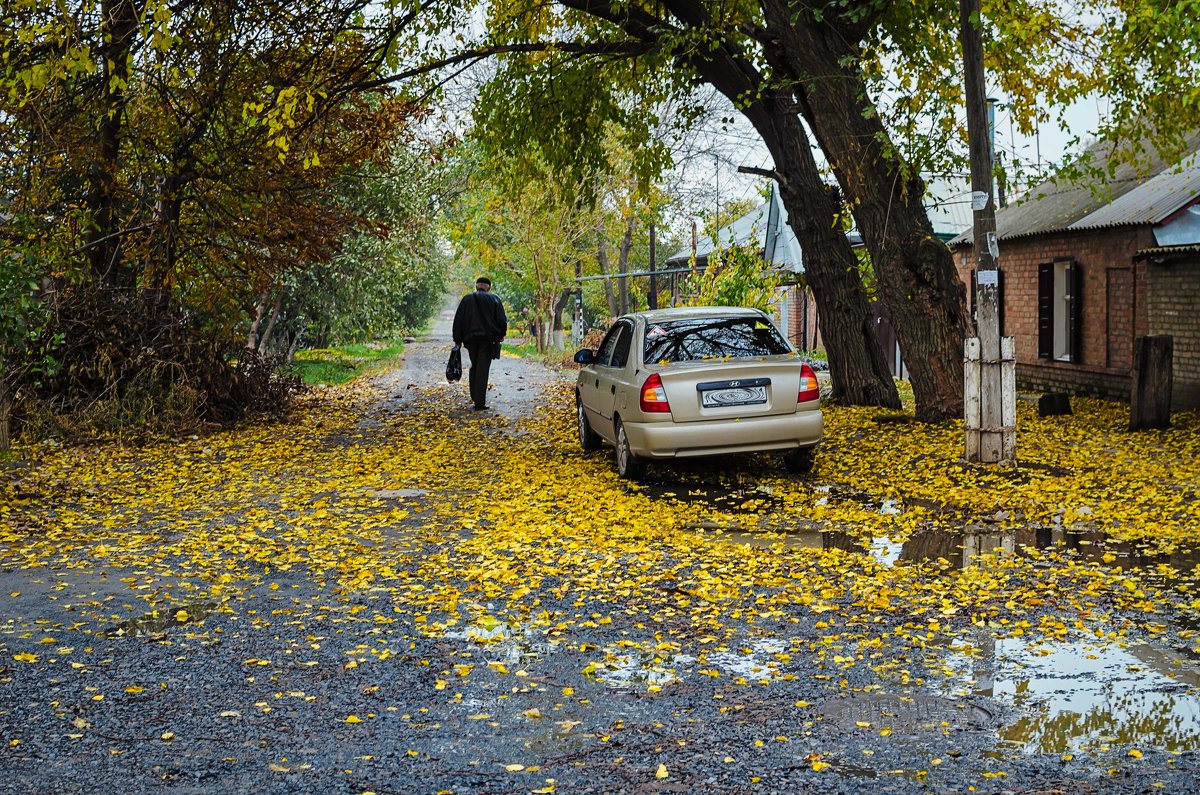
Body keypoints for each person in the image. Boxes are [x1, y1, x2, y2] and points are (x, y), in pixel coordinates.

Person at [452, 276, 507, 411]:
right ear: (488, 287)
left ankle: (475, 396)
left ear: (477, 286)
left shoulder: (467, 299)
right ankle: (479, 402)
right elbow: (501, 319)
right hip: (488, 340)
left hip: (470, 339)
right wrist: (501, 335)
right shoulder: (494, 299)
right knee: (483, 368)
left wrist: (457, 339)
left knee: (475, 364)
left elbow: (458, 319)